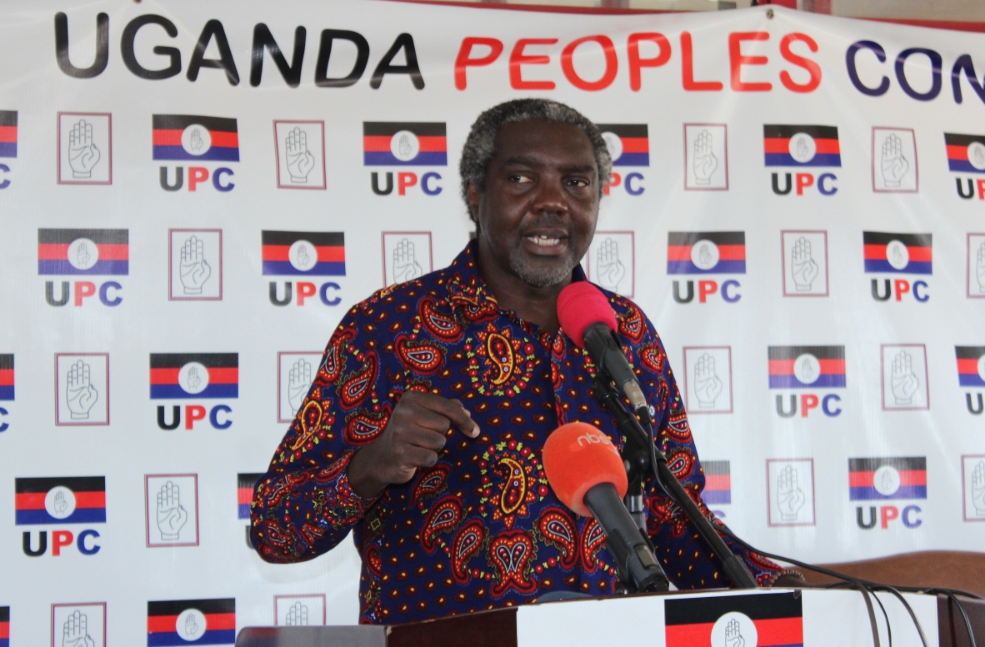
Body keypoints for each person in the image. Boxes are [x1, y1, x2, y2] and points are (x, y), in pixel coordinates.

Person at [250, 99, 796, 625]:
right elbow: (275, 529)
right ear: (474, 194)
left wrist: (794, 591)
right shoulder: (390, 327)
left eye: (576, 183)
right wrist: (371, 467)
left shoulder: (625, 333)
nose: (553, 202)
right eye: (521, 178)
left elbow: (677, 521)